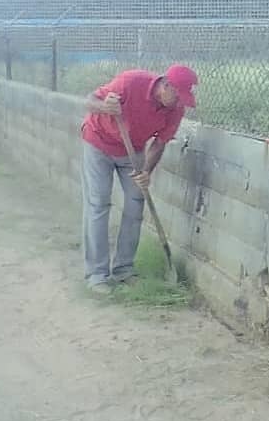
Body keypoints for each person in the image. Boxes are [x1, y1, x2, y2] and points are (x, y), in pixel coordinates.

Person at [80, 64, 198, 294]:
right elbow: (88, 100)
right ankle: (97, 274)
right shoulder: (131, 81)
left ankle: (124, 270)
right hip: (98, 142)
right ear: (165, 86)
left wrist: (146, 172)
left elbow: (160, 142)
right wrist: (105, 106)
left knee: (136, 203)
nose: (179, 103)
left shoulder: (176, 109)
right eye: (177, 96)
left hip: (131, 151)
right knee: (99, 203)